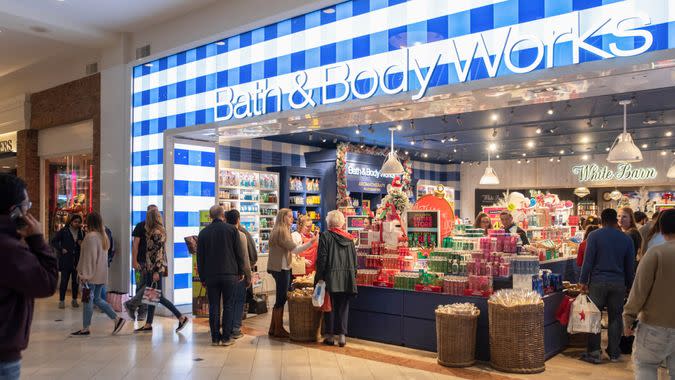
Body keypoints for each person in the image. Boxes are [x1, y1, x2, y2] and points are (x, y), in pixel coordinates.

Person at [0, 174, 58, 380]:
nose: (29, 211)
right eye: (27, 205)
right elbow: (47, 283)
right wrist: (38, 241)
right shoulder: (9, 249)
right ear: (14, 211)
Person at [579, 208, 635, 364]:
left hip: (598, 282)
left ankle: (594, 353)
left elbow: (588, 261)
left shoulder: (594, 236)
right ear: (615, 221)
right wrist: (630, 285)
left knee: (594, 317)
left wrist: (583, 281)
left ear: (602, 221)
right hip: (618, 283)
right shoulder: (626, 239)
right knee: (616, 317)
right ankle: (614, 353)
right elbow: (630, 266)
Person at [623, 209, 675, 379]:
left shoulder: (656, 253)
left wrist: (628, 317)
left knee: (646, 366)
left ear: (660, 227)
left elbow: (639, 290)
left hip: (655, 325)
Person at [134, 208, 189, 334]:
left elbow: (158, 253)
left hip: (154, 269)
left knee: (158, 297)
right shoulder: (156, 231)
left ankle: (181, 317)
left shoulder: (156, 232)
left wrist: (155, 271)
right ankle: (148, 324)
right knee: (151, 296)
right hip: (152, 268)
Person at [70, 212, 126, 336]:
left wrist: (84, 276)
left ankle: (86, 328)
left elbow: (89, 258)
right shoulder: (103, 236)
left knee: (88, 301)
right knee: (97, 299)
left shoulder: (91, 237)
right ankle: (117, 319)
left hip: (90, 275)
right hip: (100, 274)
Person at [196, 205, 243, 346]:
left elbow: (200, 258)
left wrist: (203, 277)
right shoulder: (232, 230)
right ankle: (226, 338)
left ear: (210, 217)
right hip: (230, 274)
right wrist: (240, 272)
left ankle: (215, 338)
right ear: (223, 215)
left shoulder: (203, 233)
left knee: (214, 306)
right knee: (228, 305)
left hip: (211, 275)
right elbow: (238, 253)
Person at [267, 208, 317, 338]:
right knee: (281, 298)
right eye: (289, 217)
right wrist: (311, 243)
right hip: (282, 268)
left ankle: (273, 328)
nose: (292, 219)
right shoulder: (282, 231)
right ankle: (278, 329)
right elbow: (294, 249)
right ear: (283, 217)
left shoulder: (279, 230)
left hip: (279, 267)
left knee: (280, 297)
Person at [315, 210, 358, 347]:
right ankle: (342, 337)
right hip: (347, 277)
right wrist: (353, 275)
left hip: (330, 277)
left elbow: (322, 259)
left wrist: (319, 277)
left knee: (330, 306)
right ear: (342, 222)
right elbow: (354, 261)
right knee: (343, 307)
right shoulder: (350, 239)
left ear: (329, 222)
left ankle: (329, 336)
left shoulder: (325, 236)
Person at [124, 205, 158, 321]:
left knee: (151, 287)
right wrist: (134, 261)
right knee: (141, 286)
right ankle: (137, 309)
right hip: (141, 263)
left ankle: (142, 311)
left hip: (152, 263)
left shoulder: (158, 228)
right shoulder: (140, 226)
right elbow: (135, 245)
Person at [225, 209, 251, 341]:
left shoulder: (222, 234)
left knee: (228, 302)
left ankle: (227, 328)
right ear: (238, 220)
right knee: (239, 301)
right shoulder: (241, 235)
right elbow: (245, 258)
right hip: (238, 275)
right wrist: (248, 276)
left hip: (225, 274)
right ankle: (235, 328)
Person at [51, 213, 84, 309]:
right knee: (64, 281)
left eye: (79, 222)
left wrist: (81, 244)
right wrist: (61, 249)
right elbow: (54, 241)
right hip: (66, 260)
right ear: (71, 221)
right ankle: (61, 300)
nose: (77, 223)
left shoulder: (81, 232)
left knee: (75, 282)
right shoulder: (64, 231)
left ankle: (74, 300)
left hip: (77, 261)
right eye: (75, 221)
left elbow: (84, 244)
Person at [99, 225, 115, 302]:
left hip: (100, 262)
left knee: (99, 284)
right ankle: (102, 302)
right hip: (104, 261)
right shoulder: (107, 231)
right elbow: (112, 248)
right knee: (102, 283)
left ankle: (100, 303)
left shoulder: (96, 233)